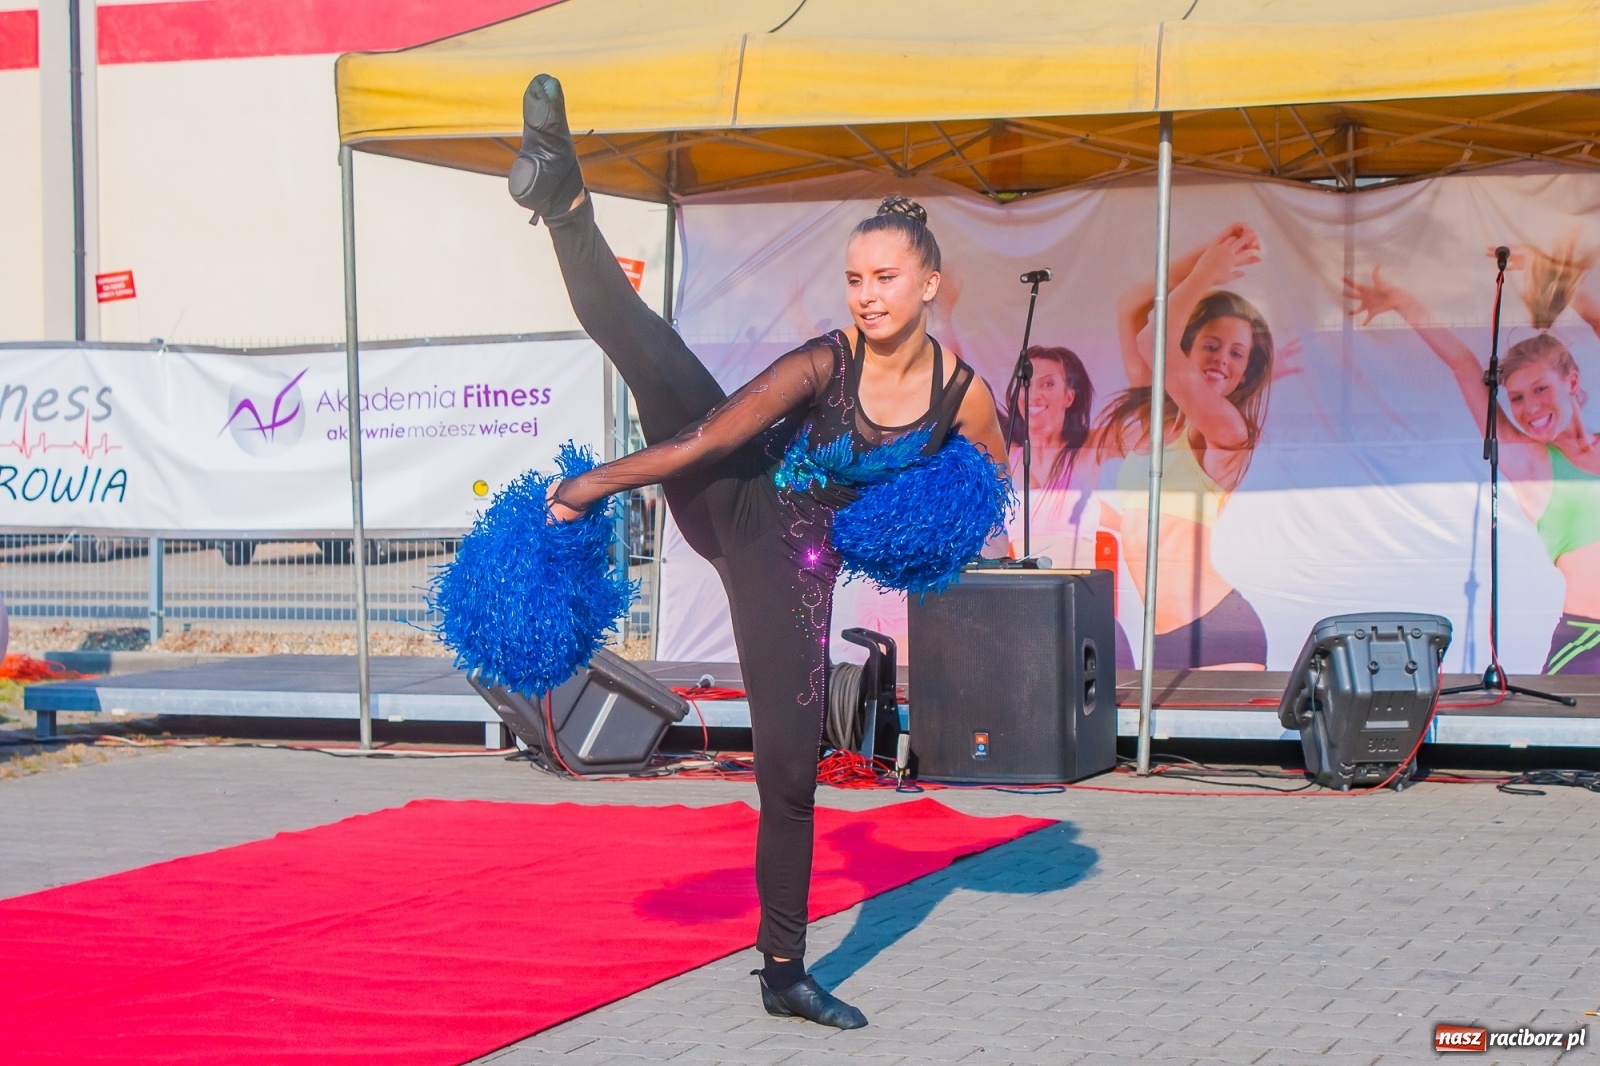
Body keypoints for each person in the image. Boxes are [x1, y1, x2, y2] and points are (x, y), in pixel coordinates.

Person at [507, 75, 1009, 1028]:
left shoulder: (964, 395)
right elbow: (705, 444)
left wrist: (927, 531)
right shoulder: (825, 362)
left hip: (799, 569)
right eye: (856, 279)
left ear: (930, 283)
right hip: (730, 502)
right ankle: (564, 195)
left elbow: (987, 477)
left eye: (886, 278)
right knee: (644, 344)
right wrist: (590, 485)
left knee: (789, 768)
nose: (867, 296)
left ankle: (784, 972)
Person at [1345, 242, 1600, 674]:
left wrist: (1568, 286)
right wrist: (1403, 302)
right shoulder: (1532, 463)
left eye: (1540, 389)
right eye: (1516, 398)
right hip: (1589, 641)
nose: (1529, 409)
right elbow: (1464, 364)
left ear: (1571, 380)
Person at [1096, 226, 1275, 670]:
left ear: (1246, 372)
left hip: (1219, 631)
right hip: (1162, 638)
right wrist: (1206, 258)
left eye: (1237, 354)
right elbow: (1130, 307)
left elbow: (1149, 339)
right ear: (1188, 347)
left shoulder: (1227, 430)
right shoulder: (1152, 419)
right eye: (1211, 346)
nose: (1222, 360)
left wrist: (1206, 275)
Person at [1003, 346, 1098, 565]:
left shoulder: (1090, 450)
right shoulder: (1005, 455)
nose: (1034, 394)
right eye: (1027, 383)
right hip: (1026, 593)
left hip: (1079, 593)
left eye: (1048, 383)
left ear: (1069, 397)